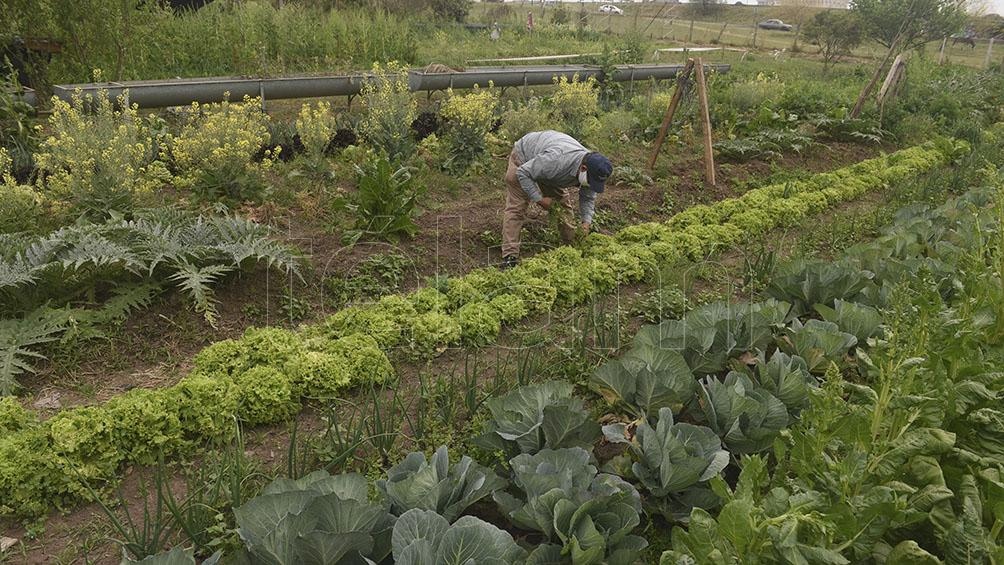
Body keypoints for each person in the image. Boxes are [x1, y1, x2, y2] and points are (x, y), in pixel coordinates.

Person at [501, 130, 613, 269]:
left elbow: (588, 197)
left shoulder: (593, 169)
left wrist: (586, 222)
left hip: (548, 168)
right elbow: (523, 172)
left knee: (562, 206)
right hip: (523, 158)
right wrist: (540, 199)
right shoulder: (557, 160)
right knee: (516, 208)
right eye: (591, 181)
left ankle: (572, 246)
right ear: (583, 168)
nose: (591, 185)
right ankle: (509, 257)